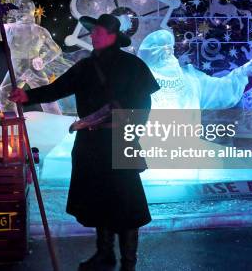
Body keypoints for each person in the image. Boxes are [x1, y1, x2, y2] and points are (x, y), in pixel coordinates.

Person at [10, 14, 159, 271]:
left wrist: (130, 131)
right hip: (90, 142)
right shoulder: (86, 66)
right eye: (93, 31)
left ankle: (128, 264)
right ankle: (104, 254)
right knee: (98, 198)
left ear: (113, 36)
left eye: (99, 31)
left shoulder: (133, 66)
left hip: (120, 140)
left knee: (126, 202)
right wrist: (27, 95)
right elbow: (57, 89)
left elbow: (144, 105)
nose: (93, 35)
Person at [0, 0, 63, 115]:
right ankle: (12, 123)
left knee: (6, 96)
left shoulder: (10, 28)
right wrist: (42, 60)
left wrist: (42, 60)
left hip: (25, 69)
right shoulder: (10, 28)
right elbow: (56, 50)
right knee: (7, 96)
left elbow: (56, 50)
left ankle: (12, 123)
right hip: (21, 68)